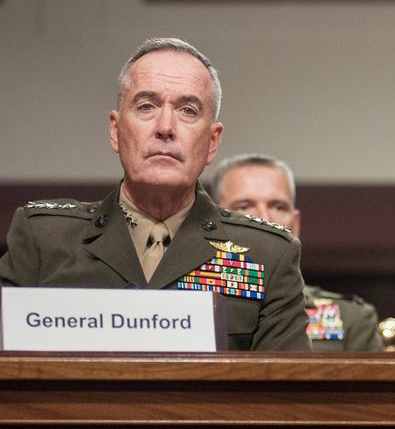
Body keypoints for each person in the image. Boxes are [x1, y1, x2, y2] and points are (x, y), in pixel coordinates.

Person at [0, 38, 311, 351]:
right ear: (115, 130)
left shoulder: (268, 256)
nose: (165, 127)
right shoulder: (44, 238)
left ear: (212, 142)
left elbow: (286, 397)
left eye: (187, 110)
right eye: (146, 106)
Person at [212, 153, 383, 351]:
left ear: (296, 223)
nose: (263, 218)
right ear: (215, 221)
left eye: (278, 206)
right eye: (244, 206)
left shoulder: (350, 319)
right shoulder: (193, 309)